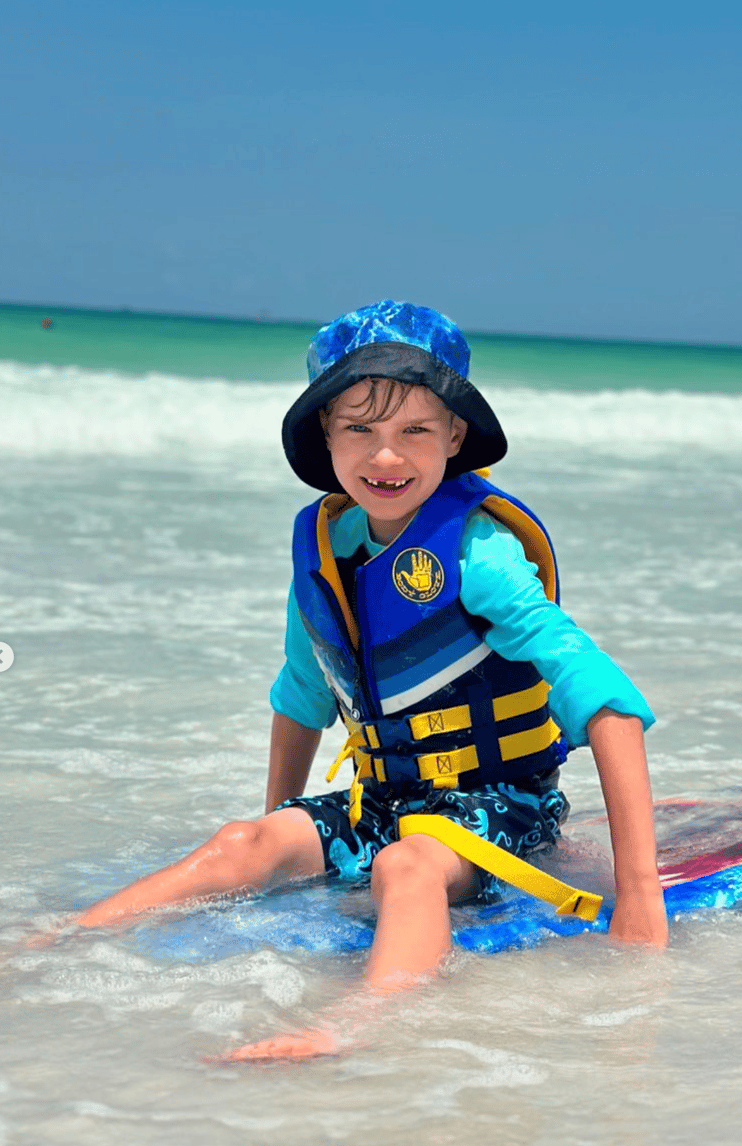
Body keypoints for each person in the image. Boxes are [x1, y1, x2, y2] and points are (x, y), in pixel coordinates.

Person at [70, 300, 668, 1059]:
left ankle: (348, 1027)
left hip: (500, 807)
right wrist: (279, 841)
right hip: (382, 800)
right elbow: (302, 694)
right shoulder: (327, 546)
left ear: (455, 435)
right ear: (326, 436)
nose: (387, 459)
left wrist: (639, 896)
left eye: (415, 430)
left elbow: (610, 705)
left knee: (406, 866)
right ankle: (49, 940)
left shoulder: (478, 553)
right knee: (238, 843)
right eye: (360, 429)